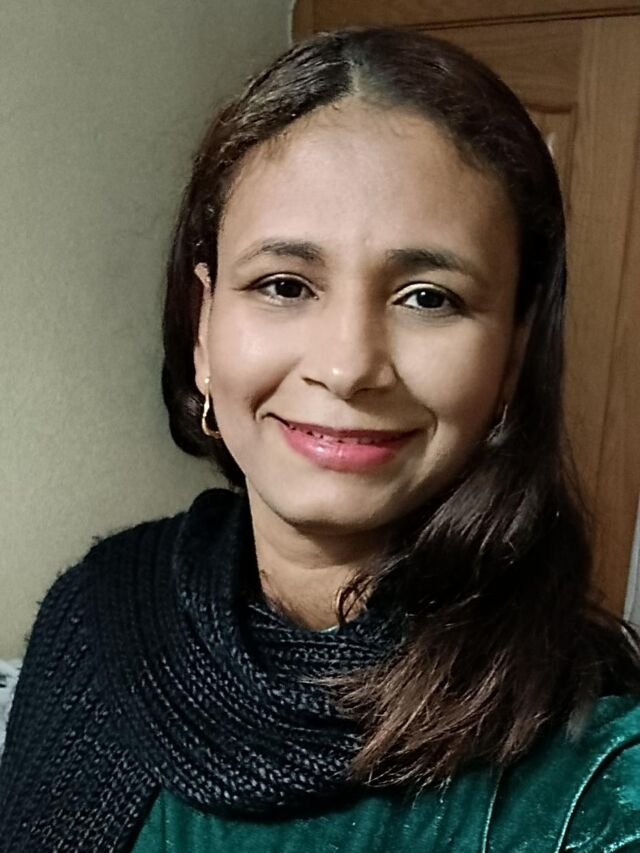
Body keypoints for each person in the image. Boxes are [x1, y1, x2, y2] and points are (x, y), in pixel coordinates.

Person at [1, 25, 639, 852]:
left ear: (512, 357)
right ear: (203, 327)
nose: (347, 368)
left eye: (428, 297)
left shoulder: (593, 775)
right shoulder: (99, 616)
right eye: (284, 284)